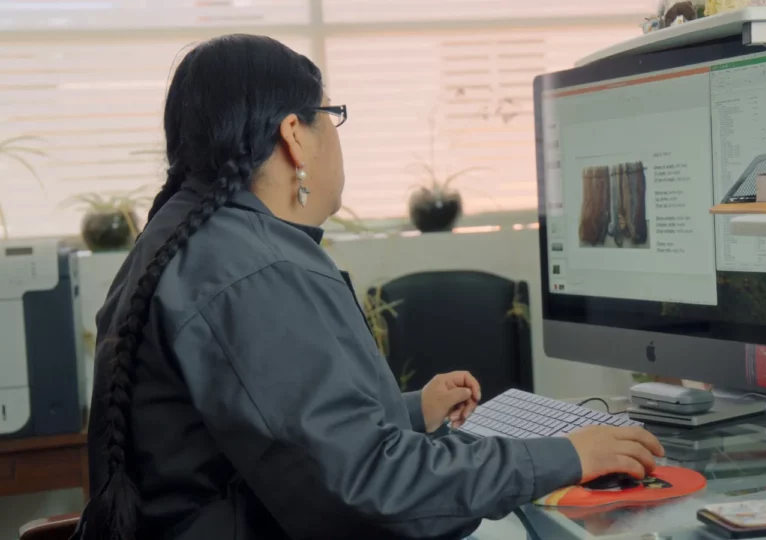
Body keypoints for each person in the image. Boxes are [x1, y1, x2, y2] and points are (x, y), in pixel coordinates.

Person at [75, 34, 665, 540]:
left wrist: (407, 412)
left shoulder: (188, 240)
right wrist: (566, 456)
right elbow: (371, 492)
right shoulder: (254, 270)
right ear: (294, 135)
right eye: (329, 115)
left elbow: (263, 433)